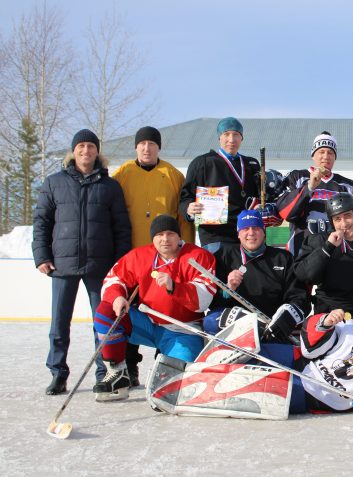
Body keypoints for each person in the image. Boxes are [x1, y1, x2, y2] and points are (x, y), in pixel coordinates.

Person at [32, 129, 131, 396]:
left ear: (97, 151)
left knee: (102, 322)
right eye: (81, 146)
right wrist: (42, 256)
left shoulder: (110, 186)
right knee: (59, 322)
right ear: (73, 151)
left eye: (90, 146)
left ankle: (103, 371)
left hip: (100, 265)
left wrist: (119, 264)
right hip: (62, 264)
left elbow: (121, 227)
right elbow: (42, 222)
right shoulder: (54, 183)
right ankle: (57, 373)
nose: (86, 151)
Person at [92, 215, 216, 401]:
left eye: (170, 234)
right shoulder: (140, 256)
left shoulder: (198, 257)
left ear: (179, 236)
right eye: (159, 234)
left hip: (182, 331)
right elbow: (113, 279)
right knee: (106, 311)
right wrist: (117, 296)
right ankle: (118, 373)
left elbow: (203, 299)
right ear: (153, 238)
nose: (165, 239)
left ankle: (166, 374)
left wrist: (175, 287)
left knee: (174, 387)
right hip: (147, 324)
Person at [111, 125, 195, 386]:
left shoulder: (171, 174)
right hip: (134, 256)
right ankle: (130, 366)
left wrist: (185, 252)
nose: (147, 148)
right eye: (142, 144)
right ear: (136, 147)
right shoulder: (122, 174)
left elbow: (183, 216)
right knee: (127, 309)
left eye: (152, 144)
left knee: (165, 309)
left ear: (159, 147)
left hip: (168, 257)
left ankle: (164, 364)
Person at [203, 209, 310, 338]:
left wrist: (283, 318)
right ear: (238, 234)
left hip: (272, 330)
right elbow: (211, 304)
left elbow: (299, 298)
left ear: (263, 232)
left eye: (256, 228)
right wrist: (227, 289)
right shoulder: (224, 256)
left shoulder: (283, 258)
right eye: (245, 229)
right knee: (209, 321)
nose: (251, 233)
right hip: (236, 331)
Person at [179, 117, 261, 248]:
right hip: (216, 236)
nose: (231, 139)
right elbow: (185, 197)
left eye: (236, 135)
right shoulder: (202, 163)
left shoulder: (251, 164)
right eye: (226, 134)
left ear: (242, 138)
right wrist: (189, 208)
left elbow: (261, 196)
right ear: (219, 137)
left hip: (248, 234)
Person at [276, 131, 353, 254]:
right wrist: (309, 188)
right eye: (321, 152)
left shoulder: (347, 184)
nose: (326, 156)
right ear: (313, 155)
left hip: (335, 250)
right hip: (301, 249)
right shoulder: (297, 177)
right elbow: (285, 212)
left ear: (335, 157)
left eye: (330, 153)